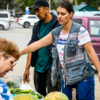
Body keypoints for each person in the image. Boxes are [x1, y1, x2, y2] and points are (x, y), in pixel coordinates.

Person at [20, 1, 100, 100]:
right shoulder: (56, 32)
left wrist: (99, 70)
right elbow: (37, 44)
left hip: (83, 76)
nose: (59, 16)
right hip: (67, 77)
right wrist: (18, 53)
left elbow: (90, 51)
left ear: (71, 14)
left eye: (63, 14)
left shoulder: (80, 30)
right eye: (58, 13)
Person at [23, 0, 61, 97]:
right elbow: (31, 46)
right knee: (39, 96)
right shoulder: (36, 26)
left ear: (46, 9)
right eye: (35, 11)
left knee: (53, 96)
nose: (36, 14)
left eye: (38, 10)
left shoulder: (58, 24)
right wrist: (27, 69)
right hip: (38, 68)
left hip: (52, 68)